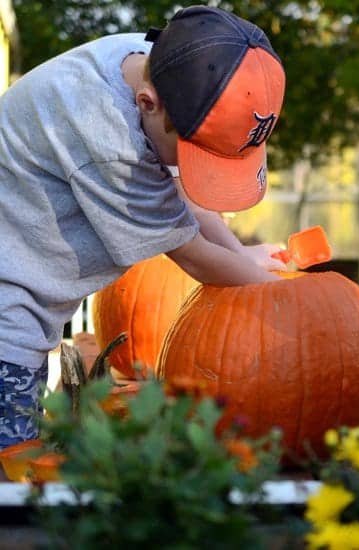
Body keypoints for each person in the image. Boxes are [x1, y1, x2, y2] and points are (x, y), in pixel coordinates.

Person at [0, 4, 288, 458]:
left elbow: (180, 186)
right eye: (198, 155)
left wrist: (241, 254)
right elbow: (190, 252)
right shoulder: (110, 141)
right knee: (12, 477)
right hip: (7, 320)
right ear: (147, 105)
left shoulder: (157, 62)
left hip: (23, 312)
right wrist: (285, 299)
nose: (199, 168)